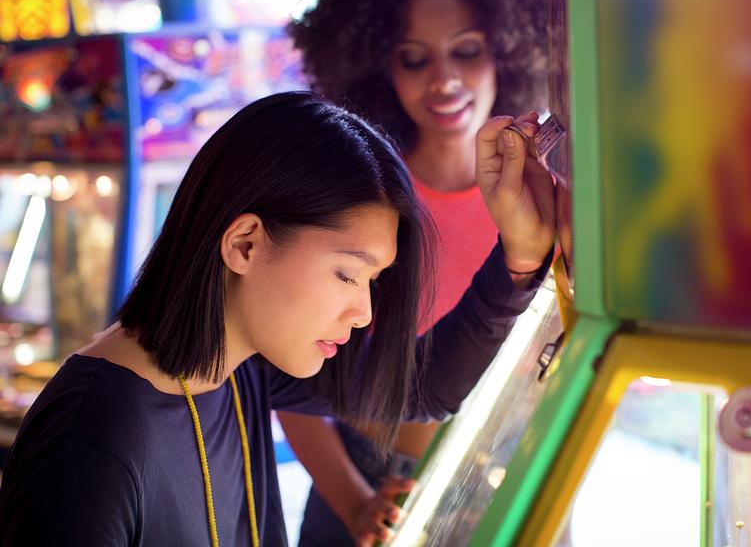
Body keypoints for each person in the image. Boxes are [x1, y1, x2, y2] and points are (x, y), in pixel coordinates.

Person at [0, 92, 555, 546]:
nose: (363, 312)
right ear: (244, 244)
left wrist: (521, 255)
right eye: (346, 274)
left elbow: (422, 390)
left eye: (371, 281)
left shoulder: (239, 367)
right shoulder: (90, 443)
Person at [279, 0, 549, 545]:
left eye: (467, 49)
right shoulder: (358, 194)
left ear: (507, 48)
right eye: (413, 58)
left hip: (513, 473)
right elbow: (291, 369)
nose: (444, 79)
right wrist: (352, 501)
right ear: (381, 70)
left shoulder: (546, 194)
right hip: (365, 487)